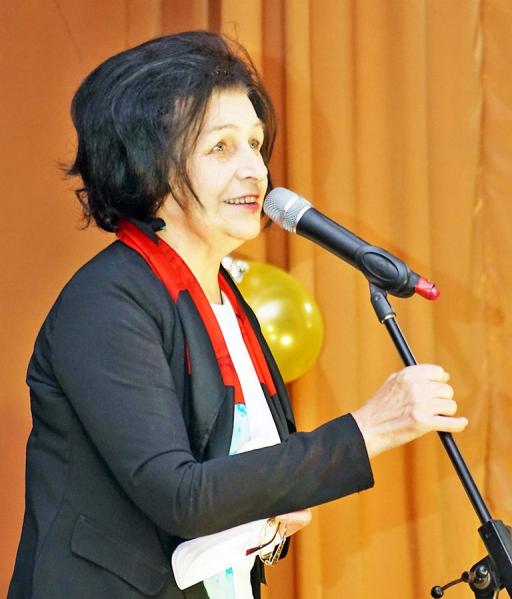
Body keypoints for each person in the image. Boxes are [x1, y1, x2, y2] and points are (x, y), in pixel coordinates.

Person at [8, 31, 468, 599]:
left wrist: (272, 516)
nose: (255, 169)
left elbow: (231, 483)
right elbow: (180, 496)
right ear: (149, 165)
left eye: (255, 143)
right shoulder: (107, 302)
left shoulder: (227, 298)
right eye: (221, 148)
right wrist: (370, 428)